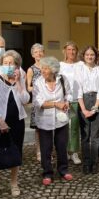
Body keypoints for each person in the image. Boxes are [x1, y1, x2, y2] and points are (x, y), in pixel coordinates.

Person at [0, 50, 30, 199]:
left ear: (17, 65)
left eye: (12, 63)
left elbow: (25, 100)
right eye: (5, 63)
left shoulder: (20, 78)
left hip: (17, 122)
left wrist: (18, 83)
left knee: (15, 152)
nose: (8, 65)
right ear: (1, 65)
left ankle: (14, 183)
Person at [33, 56, 74, 185]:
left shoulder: (62, 79)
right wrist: (57, 104)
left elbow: (69, 94)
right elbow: (38, 102)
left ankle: (63, 170)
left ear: (53, 69)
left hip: (61, 119)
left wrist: (67, 102)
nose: (42, 71)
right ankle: (47, 173)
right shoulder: (38, 82)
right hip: (44, 121)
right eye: (42, 68)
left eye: (45, 68)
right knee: (46, 148)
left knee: (62, 146)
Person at [76, 46, 99, 174]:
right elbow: (77, 91)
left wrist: (94, 108)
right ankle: (86, 163)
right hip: (84, 100)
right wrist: (83, 109)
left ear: (95, 56)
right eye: (87, 54)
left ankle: (94, 163)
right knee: (85, 135)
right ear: (84, 56)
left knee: (95, 136)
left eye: (92, 54)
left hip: (97, 102)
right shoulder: (79, 69)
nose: (90, 57)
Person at [59, 41, 82, 165]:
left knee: (74, 127)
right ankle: (65, 151)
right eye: (69, 49)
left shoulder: (81, 64)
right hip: (64, 100)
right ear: (65, 51)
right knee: (64, 126)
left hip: (77, 99)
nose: (71, 52)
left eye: (73, 49)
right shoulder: (60, 65)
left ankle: (74, 151)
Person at [26, 43, 45, 162]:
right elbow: (28, 87)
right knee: (38, 128)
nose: (38, 54)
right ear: (33, 55)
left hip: (49, 101)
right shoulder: (31, 69)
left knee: (48, 128)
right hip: (37, 101)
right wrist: (40, 88)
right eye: (36, 52)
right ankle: (39, 151)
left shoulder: (48, 67)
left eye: (40, 51)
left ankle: (47, 150)